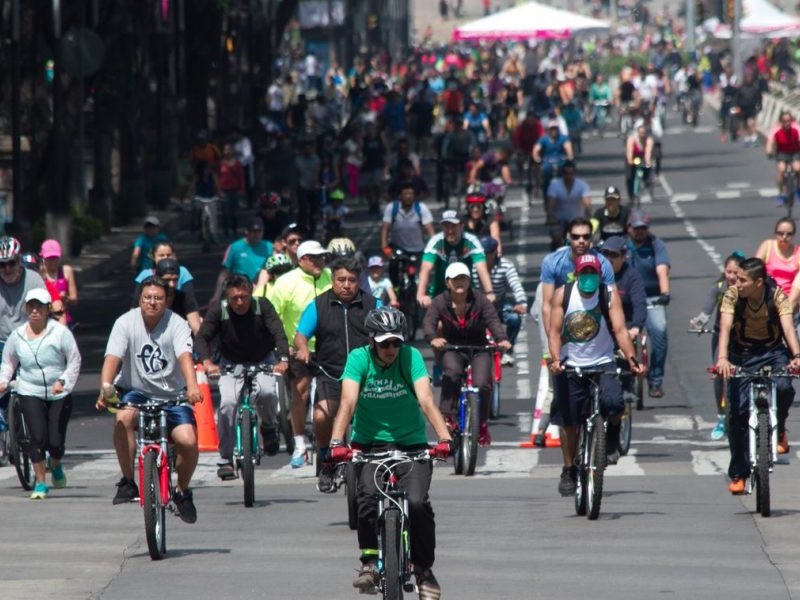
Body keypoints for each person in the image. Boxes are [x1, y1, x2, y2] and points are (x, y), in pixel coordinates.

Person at [329, 307, 452, 599]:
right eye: (384, 343)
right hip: (370, 446)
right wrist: (337, 441)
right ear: (372, 340)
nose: (391, 349)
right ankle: (370, 562)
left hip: (412, 445)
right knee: (367, 498)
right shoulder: (358, 358)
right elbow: (348, 401)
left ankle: (423, 570)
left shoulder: (411, 357)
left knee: (419, 504)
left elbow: (425, 399)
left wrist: (444, 437)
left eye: (396, 342)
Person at [96, 277, 201, 523]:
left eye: (158, 298)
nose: (152, 302)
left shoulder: (177, 324)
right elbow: (112, 357)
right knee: (123, 418)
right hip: (137, 391)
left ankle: (182, 491)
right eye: (147, 298)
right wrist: (105, 388)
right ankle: (128, 480)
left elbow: (185, 356)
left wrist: (193, 386)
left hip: (173, 395)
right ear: (140, 299)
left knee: (187, 440)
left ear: (167, 300)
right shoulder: (125, 322)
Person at [547, 254, 644, 496]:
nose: (589, 278)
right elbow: (554, 332)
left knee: (614, 402)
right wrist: (556, 360)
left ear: (600, 275)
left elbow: (620, 330)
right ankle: (569, 468)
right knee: (569, 422)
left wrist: (633, 360)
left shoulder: (608, 295)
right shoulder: (563, 294)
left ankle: (611, 436)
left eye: (593, 273)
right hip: (570, 365)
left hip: (602, 363)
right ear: (576, 275)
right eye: (584, 273)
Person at [715, 258, 800, 495]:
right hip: (740, 354)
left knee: (784, 387)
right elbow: (724, 328)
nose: (736, 283)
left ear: (759, 282)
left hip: (773, 352)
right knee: (736, 413)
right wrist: (722, 359)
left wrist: (797, 355)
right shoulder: (732, 295)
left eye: (743, 280)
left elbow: (788, 327)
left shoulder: (776, 295)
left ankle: (780, 428)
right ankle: (739, 472)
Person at [294, 256, 378, 492]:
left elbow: (388, 331)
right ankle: (326, 460)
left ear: (358, 281)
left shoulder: (373, 304)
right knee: (321, 417)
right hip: (329, 373)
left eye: (352, 280)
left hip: (365, 375)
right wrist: (302, 349)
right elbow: (301, 336)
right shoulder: (318, 305)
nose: (346, 285)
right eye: (341, 279)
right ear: (332, 280)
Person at [195, 274, 289, 479]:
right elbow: (202, 337)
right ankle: (226, 459)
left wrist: (282, 360)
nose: (239, 302)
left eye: (244, 297)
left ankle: (269, 425)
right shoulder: (219, 310)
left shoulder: (262, 305)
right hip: (230, 363)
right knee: (228, 404)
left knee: (267, 393)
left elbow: (278, 332)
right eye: (234, 298)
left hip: (262, 359)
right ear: (227, 297)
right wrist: (207, 362)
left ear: (251, 293)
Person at [0, 288, 81, 499]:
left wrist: (64, 381)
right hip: (29, 389)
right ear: (26, 309)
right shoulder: (17, 336)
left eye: (40, 307)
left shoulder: (61, 333)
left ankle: (55, 465)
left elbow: (74, 360)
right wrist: (3, 381)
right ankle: (41, 483)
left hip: (58, 393)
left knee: (55, 442)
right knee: (37, 437)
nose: (35, 311)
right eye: (31, 307)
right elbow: (9, 362)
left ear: (47, 310)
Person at [424, 262, 511, 446]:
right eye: (455, 279)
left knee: (483, 384)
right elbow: (429, 321)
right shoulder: (440, 301)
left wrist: (501, 339)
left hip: (479, 348)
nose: (459, 282)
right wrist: (433, 338)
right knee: (452, 373)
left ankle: (482, 423)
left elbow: (493, 320)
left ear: (469, 281)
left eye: (463, 278)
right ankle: (449, 417)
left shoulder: (480, 300)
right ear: (447, 282)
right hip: (453, 348)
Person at [267, 240, 333, 467]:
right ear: (302, 259)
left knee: (333, 394)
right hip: (296, 348)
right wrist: (283, 347)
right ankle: (299, 445)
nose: (319, 262)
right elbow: (272, 316)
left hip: (327, 348)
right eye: (314, 258)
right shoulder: (285, 283)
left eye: (322, 257)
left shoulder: (330, 277)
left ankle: (332, 441)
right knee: (301, 392)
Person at [689, 251, 746, 441]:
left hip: (743, 339)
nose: (731, 276)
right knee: (719, 375)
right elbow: (706, 310)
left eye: (735, 273)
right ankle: (721, 418)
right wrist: (698, 323)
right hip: (720, 336)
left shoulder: (747, 289)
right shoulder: (719, 288)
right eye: (728, 271)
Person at [626, 210, 671, 398]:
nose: (639, 232)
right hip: (627, 298)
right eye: (636, 228)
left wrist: (665, 292)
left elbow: (662, 270)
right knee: (620, 334)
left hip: (652, 297)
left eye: (643, 228)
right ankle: (625, 379)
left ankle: (655, 380)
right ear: (629, 229)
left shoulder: (655, 245)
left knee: (660, 331)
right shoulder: (622, 247)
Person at [416, 210, 495, 308]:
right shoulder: (436, 241)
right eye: (446, 226)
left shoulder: (471, 241)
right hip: (440, 293)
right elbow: (425, 269)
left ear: (461, 226)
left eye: (453, 226)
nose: (450, 231)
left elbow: (482, 269)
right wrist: (421, 295)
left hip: (466, 293)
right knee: (437, 323)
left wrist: (489, 292)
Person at [474, 236, 527, 366]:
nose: (482, 257)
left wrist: (522, 303)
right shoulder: (473, 267)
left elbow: (516, 285)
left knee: (514, 319)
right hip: (478, 304)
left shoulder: (506, 265)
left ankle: (507, 351)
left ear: (494, 253)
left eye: (485, 254)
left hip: (499, 303)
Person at [380, 180, 435, 285]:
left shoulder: (421, 208)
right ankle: (395, 288)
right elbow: (385, 228)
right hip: (398, 248)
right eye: (406, 194)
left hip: (418, 249)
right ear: (400, 195)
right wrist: (384, 246)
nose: (409, 196)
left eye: (411, 194)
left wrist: (433, 248)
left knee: (422, 275)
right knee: (393, 266)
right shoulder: (392, 208)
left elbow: (430, 229)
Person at [132, 259, 202, 335]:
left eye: (175, 280)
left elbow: (196, 327)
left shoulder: (184, 298)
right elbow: (132, 322)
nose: (172, 284)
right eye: (167, 280)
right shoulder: (146, 298)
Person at [212, 218, 274, 301]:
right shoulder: (234, 247)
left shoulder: (270, 247)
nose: (256, 234)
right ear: (246, 231)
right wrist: (216, 296)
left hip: (261, 294)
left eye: (259, 231)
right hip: (238, 293)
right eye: (253, 231)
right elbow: (224, 274)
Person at [545, 160, 591, 250]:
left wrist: (588, 217)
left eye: (571, 173)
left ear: (574, 174)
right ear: (562, 174)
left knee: (582, 240)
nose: (568, 176)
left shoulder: (582, 186)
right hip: (559, 221)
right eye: (566, 173)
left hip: (577, 220)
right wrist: (550, 216)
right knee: (557, 238)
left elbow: (587, 204)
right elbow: (550, 204)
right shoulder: (555, 186)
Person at [755, 217, 800, 308]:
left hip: (788, 298)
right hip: (766, 296)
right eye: (781, 233)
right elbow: (754, 269)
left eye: (789, 234)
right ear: (775, 233)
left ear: (793, 235)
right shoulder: (767, 246)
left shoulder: (798, 252)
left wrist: (787, 308)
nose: (784, 237)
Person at [39, 239, 77, 328]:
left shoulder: (66, 271)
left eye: (55, 258)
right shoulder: (39, 274)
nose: (52, 261)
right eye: (49, 258)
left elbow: (74, 299)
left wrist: (65, 298)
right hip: (45, 321)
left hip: (64, 319)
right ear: (43, 258)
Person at [532, 119, 574, 202]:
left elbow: (568, 148)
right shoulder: (543, 139)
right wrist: (537, 158)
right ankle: (545, 196)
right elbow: (536, 150)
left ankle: (567, 193)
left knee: (567, 175)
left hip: (561, 161)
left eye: (555, 128)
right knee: (545, 176)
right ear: (548, 130)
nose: (553, 131)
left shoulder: (563, 138)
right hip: (547, 162)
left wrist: (569, 156)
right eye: (551, 129)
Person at [765, 111, 800, 205]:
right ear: (781, 122)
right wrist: (769, 152)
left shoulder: (796, 128)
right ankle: (781, 193)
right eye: (784, 121)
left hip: (795, 152)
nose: (787, 123)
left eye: (789, 121)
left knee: (797, 168)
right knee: (781, 170)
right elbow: (770, 141)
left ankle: (798, 188)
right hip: (782, 153)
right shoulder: (776, 129)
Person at [218, 143, 246, 239]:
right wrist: (218, 190)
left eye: (229, 149)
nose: (227, 152)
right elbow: (217, 177)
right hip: (224, 190)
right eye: (226, 150)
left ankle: (234, 231)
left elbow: (241, 177)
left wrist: (241, 189)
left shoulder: (237, 163)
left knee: (234, 212)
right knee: (225, 212)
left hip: (234, 190)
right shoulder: (220, 163)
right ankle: (226, 232)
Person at [462, 192, 502, 256]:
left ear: (483, 208)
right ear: (468, 208)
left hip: (486, 256)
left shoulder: (490, 220)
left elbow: (496, 239)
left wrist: (498, 255)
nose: (475, 209)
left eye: (478, 206)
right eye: (472, 207)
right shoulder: (462, 222)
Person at [624, 124, 654, 202]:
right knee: (629, 177)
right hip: (633, 158)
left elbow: (648, 153)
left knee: (648, 172)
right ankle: (631, 196)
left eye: (644, 133)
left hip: (643, 158)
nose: (642, 135)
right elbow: (629, 152)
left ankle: (647, 183)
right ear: (637, 133)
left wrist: (648, 162)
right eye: (640, 133)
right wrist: (630, 161)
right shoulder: (632, 139)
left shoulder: (649, 140)